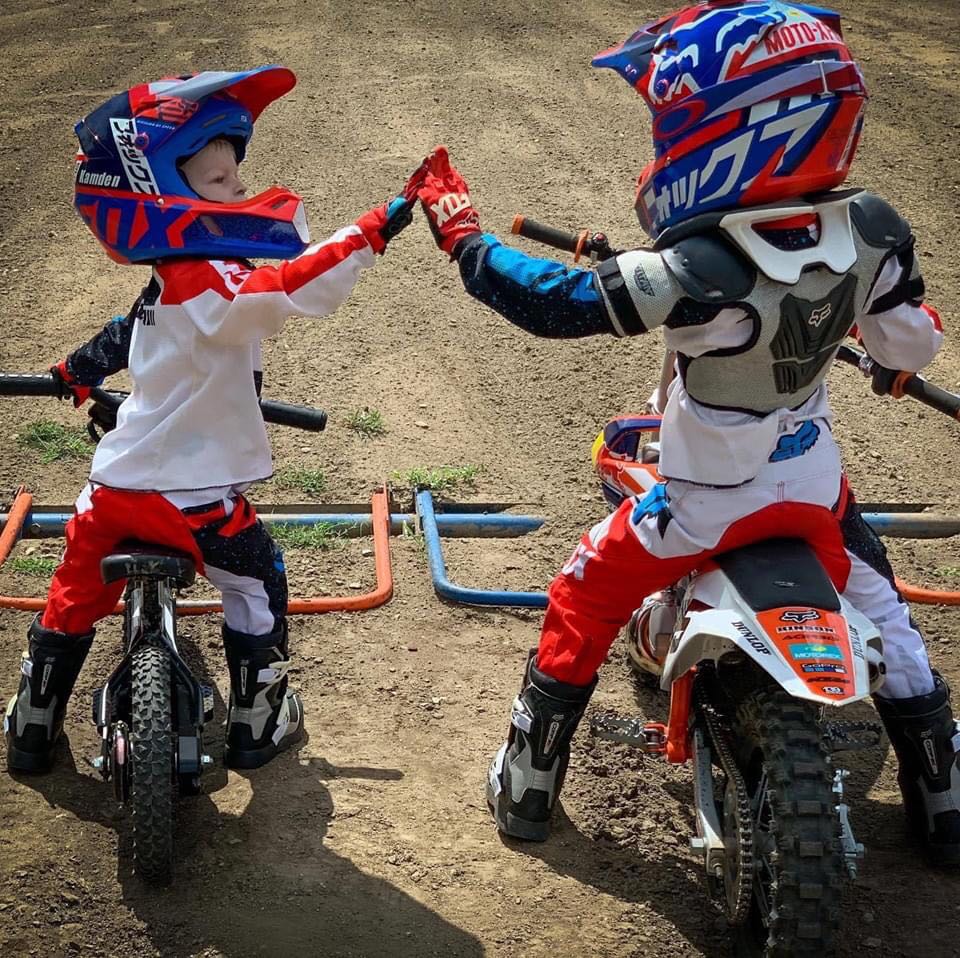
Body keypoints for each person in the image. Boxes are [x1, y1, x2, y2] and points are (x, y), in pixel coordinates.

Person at [415, 1, 959, 865]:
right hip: (813, 492)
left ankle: (527, 783)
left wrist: (465, 239)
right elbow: (910, 345)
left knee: (581, 595)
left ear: (738, 129)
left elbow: (551, 304)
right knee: (889, 617)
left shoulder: (699, 269)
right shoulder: (874, 230)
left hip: (703, 505)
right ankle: (943, 802)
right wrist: (863, 338)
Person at [5, 67, 424, 773]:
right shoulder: (212, 278)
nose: (238, 190)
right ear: (164, 192)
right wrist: (369, 231)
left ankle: (32, 721)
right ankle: (259, 720)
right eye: (219, 180)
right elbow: (283, 288)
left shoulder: (167, 281)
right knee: (257, 583)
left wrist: (74, 373)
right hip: (192, 502)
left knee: (71, 597)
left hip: (111, 494)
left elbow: (124, 335)